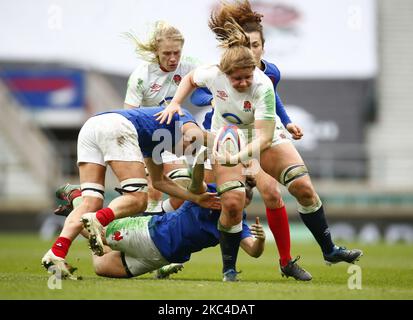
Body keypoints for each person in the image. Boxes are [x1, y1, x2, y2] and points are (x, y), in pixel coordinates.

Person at [155, 14, 363, 278]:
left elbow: (264, 137)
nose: (243, 83)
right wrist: (175, 103)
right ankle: (228, 269)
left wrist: (241, 155)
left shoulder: (264, 83)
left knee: (303, 186)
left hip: (259, 135)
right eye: (237, 79)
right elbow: (191, 82)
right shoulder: (213, 72)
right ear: (224, 72)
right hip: (224, 135)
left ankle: (328, 250)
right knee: (230, 203)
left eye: (247, 77)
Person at [189, 0, 310, 281]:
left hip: (254, 140)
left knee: (272, 192)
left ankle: (285, 261)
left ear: (263, 47)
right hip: (221, 140)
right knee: (198, 196)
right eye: (248, 45)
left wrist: (288, 121)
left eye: (257, 45)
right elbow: (197, 93)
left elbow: (273, 100)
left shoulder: (270, 74)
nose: (253, 51)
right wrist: (221, 98)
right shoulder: (221, 71)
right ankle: (168, 249)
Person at [41, 106, 220, 279]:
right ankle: (99, 219)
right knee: (137, 199)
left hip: (92, 127)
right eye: (192, 148)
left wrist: (196, 197)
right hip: (115, 127)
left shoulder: (155, 144)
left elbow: (159, 182)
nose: (186, 153)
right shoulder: (182, 116)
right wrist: (231, 145)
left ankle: (56, 252)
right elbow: (196, 134)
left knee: (90, 203)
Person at [52, 149, 265, 281]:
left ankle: (77, 211)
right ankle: (78, 198)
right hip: (148, 233)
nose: (235, 206)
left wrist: (261, 241)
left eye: (241, 204)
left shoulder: (238, 223)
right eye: (234, 200)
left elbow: (253, 251)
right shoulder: (209, 193)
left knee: (101, 266)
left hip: (159, 258)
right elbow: (195, 182)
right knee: (92, 228)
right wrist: (200, 160)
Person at [123, 21, 211, 212]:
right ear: (156, 51)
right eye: (167, 54)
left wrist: (212, 100)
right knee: (149, 192)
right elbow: (127, 117)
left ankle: (158, 219)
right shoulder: (141, 76)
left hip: (170, 134)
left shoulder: (191, 65)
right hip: (145, 135)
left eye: (176, 53)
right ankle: (145, 221)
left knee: (182, 182)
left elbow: (210, 86)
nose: (173, 59)